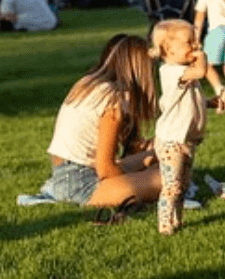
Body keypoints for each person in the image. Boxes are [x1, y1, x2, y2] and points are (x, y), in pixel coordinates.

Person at [46, 35, 161, 207]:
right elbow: (106, 170)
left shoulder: (87, 83)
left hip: (64, 176)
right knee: (171, 178)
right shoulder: (112, 100)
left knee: (157, 157)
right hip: (83, 184)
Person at [148, 19, 225, 235]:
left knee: (182, 185)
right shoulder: (171, 71)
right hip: (170, 140)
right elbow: (202, 72)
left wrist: (210, 102)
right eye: (189, 43)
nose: (196, 47)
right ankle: (164, 223)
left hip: (186, 140)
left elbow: (192, 99)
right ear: (169, 50)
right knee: (171, 185)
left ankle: (177, 220)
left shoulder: (184, 70)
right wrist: (202, 57)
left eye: (196, 41)